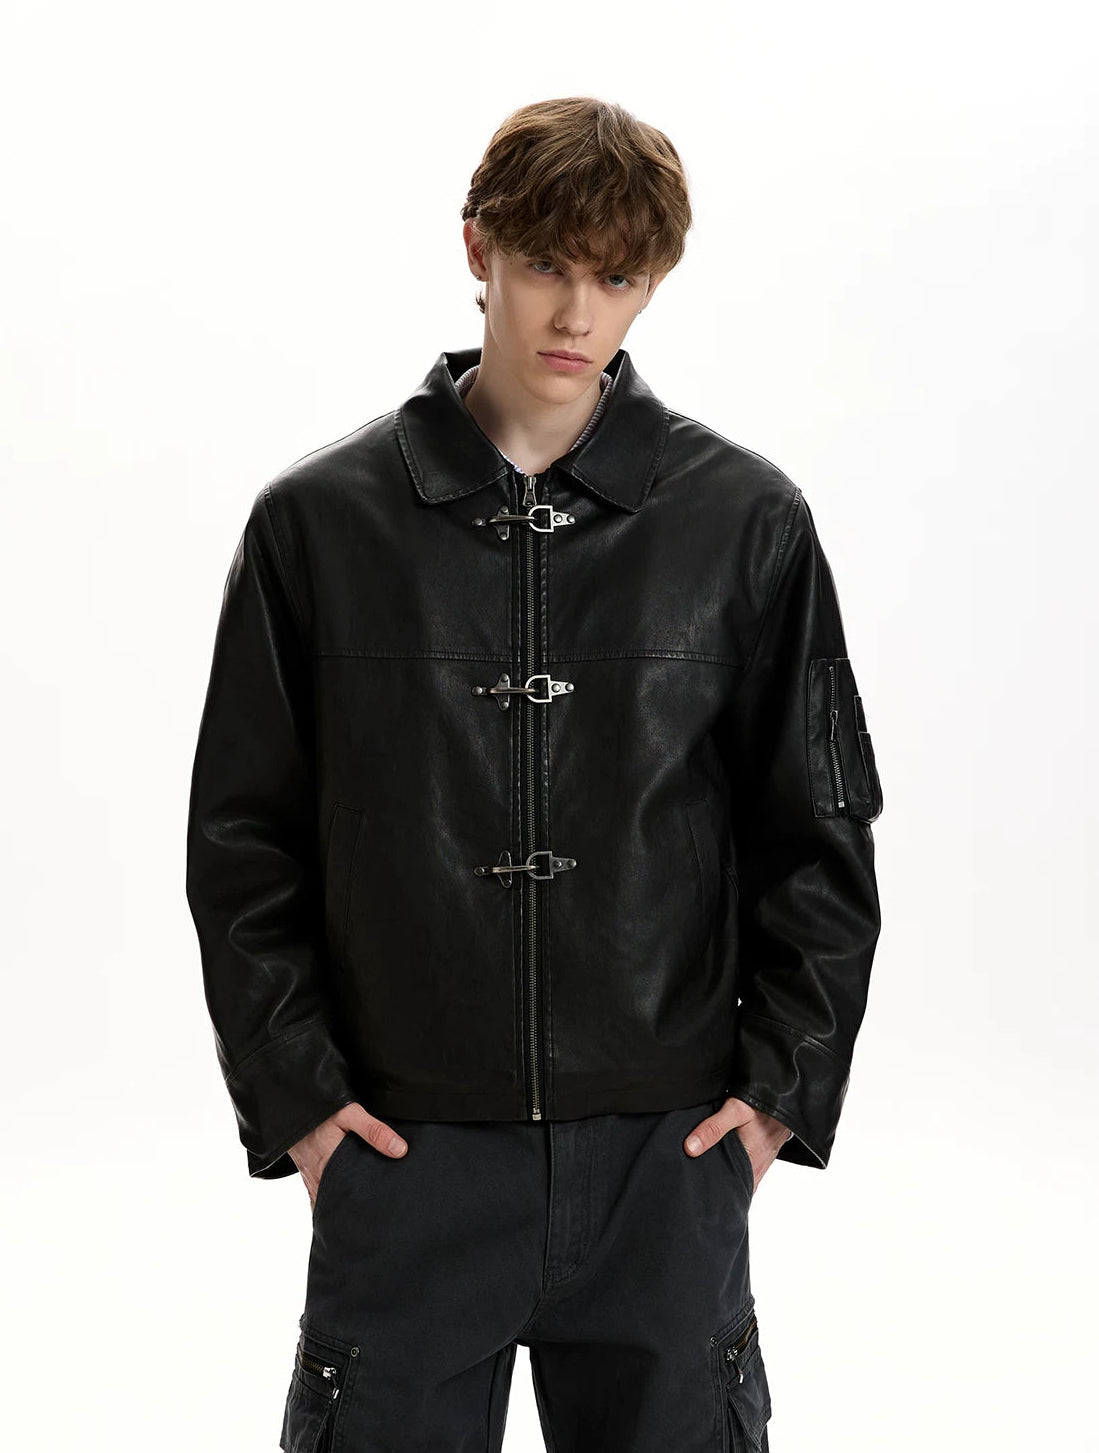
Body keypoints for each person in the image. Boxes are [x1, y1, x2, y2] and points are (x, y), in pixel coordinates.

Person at [185, 94, 883, 1453]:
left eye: (617, 277)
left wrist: (774, 1099)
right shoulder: (316, 527)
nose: (576, 311)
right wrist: (303, 1106)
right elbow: (241, 841)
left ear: (653, 284)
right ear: (478, 249)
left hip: (664, 1166)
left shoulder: (746, 523)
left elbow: (821, 835)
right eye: (548, 264)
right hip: (405, 1158)